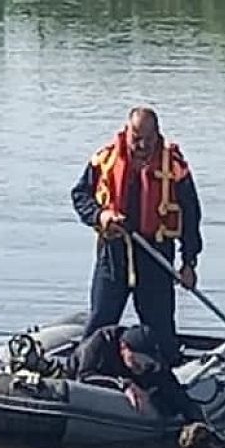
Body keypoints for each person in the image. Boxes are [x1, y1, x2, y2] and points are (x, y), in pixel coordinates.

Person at [70, 105, 203, 365]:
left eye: (147, 139)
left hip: (155, 255)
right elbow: (80, 195)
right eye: (135, 138)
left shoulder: (174, 166)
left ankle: (168, 378)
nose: (141, 145)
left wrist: (189, 262)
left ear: (158, 135)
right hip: (114, 254)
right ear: (126, 131)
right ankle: (82, 373)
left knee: (160, 327)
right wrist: (101, 216)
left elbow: (190, 215)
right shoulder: (105, 158)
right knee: (101, 320)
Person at [65, 323, 210, 432]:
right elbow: (84, 377)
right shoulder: (99, 344)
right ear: (123, 348)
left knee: (166, 400)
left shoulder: (152, 365)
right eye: (134, 361)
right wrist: (124, 385)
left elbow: (176, 392)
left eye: (146, 364)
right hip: (83, 387)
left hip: (131, 392)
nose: (139, 368)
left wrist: (198, 421)